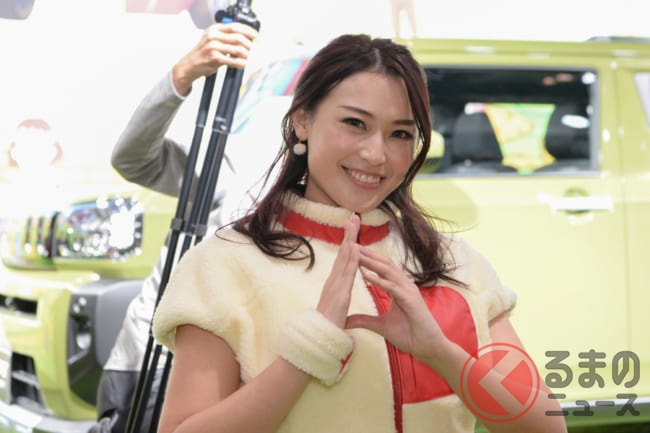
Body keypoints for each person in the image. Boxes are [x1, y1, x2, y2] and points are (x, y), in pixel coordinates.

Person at [151, 34, 568, 433]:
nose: (376, 154)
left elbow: (547, 426)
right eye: (354, 123)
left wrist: (442, 354)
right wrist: (309, 349)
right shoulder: (225, 263)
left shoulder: (454, 262)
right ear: (302, 121)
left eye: (400, 134)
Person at [89, 20, 261, 433]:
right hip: (154, 365)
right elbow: (133, 159)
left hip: (248, 381)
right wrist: (183, 74)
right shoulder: (242, 162)